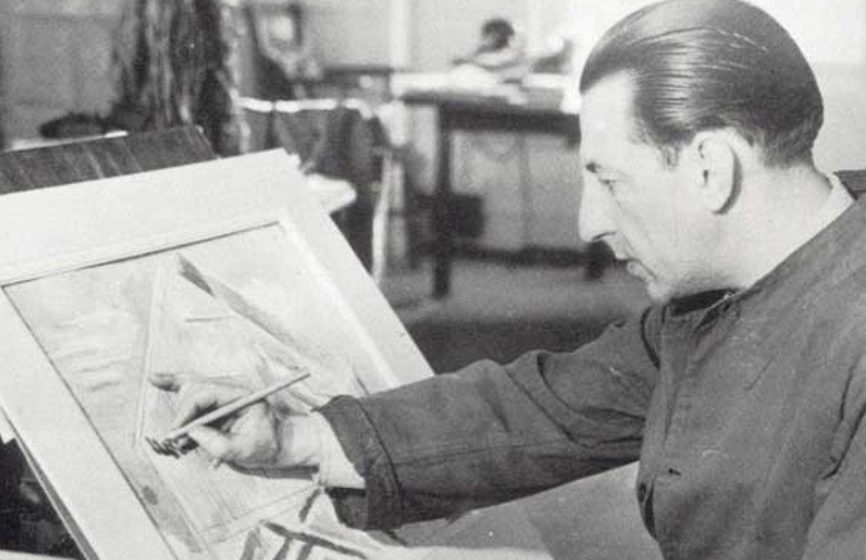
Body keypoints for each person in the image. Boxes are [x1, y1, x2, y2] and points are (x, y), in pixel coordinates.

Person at [152, 0, 866, 557]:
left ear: (710, 167)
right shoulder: (727, 291)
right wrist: (296, 438)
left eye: (609, 180)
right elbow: (547, 408)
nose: (588, 223)